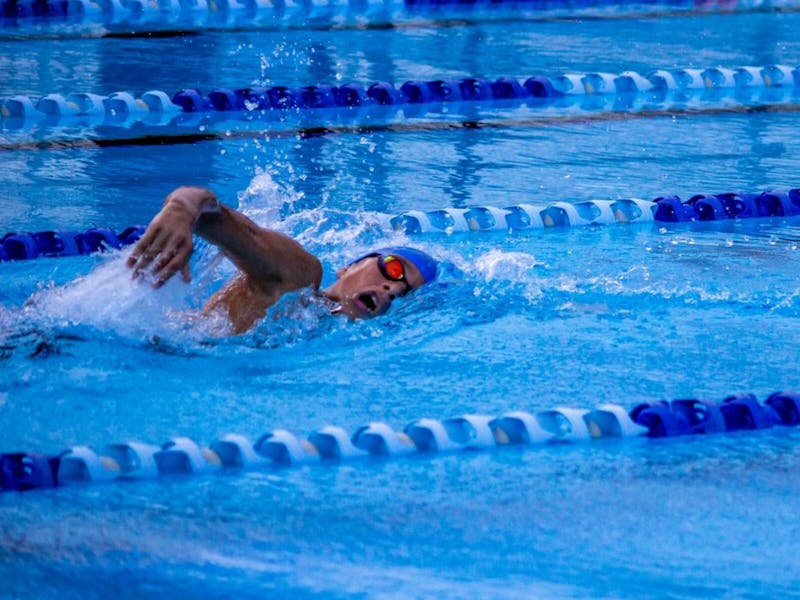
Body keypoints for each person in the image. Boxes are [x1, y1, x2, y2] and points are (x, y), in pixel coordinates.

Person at [126, 186, 437, 334]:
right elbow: (216, 214)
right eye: (394, 269)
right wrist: (182, 208)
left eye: (405, 293)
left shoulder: (322, 332)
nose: (392, 290)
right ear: (350, 265)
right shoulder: (302, 277)